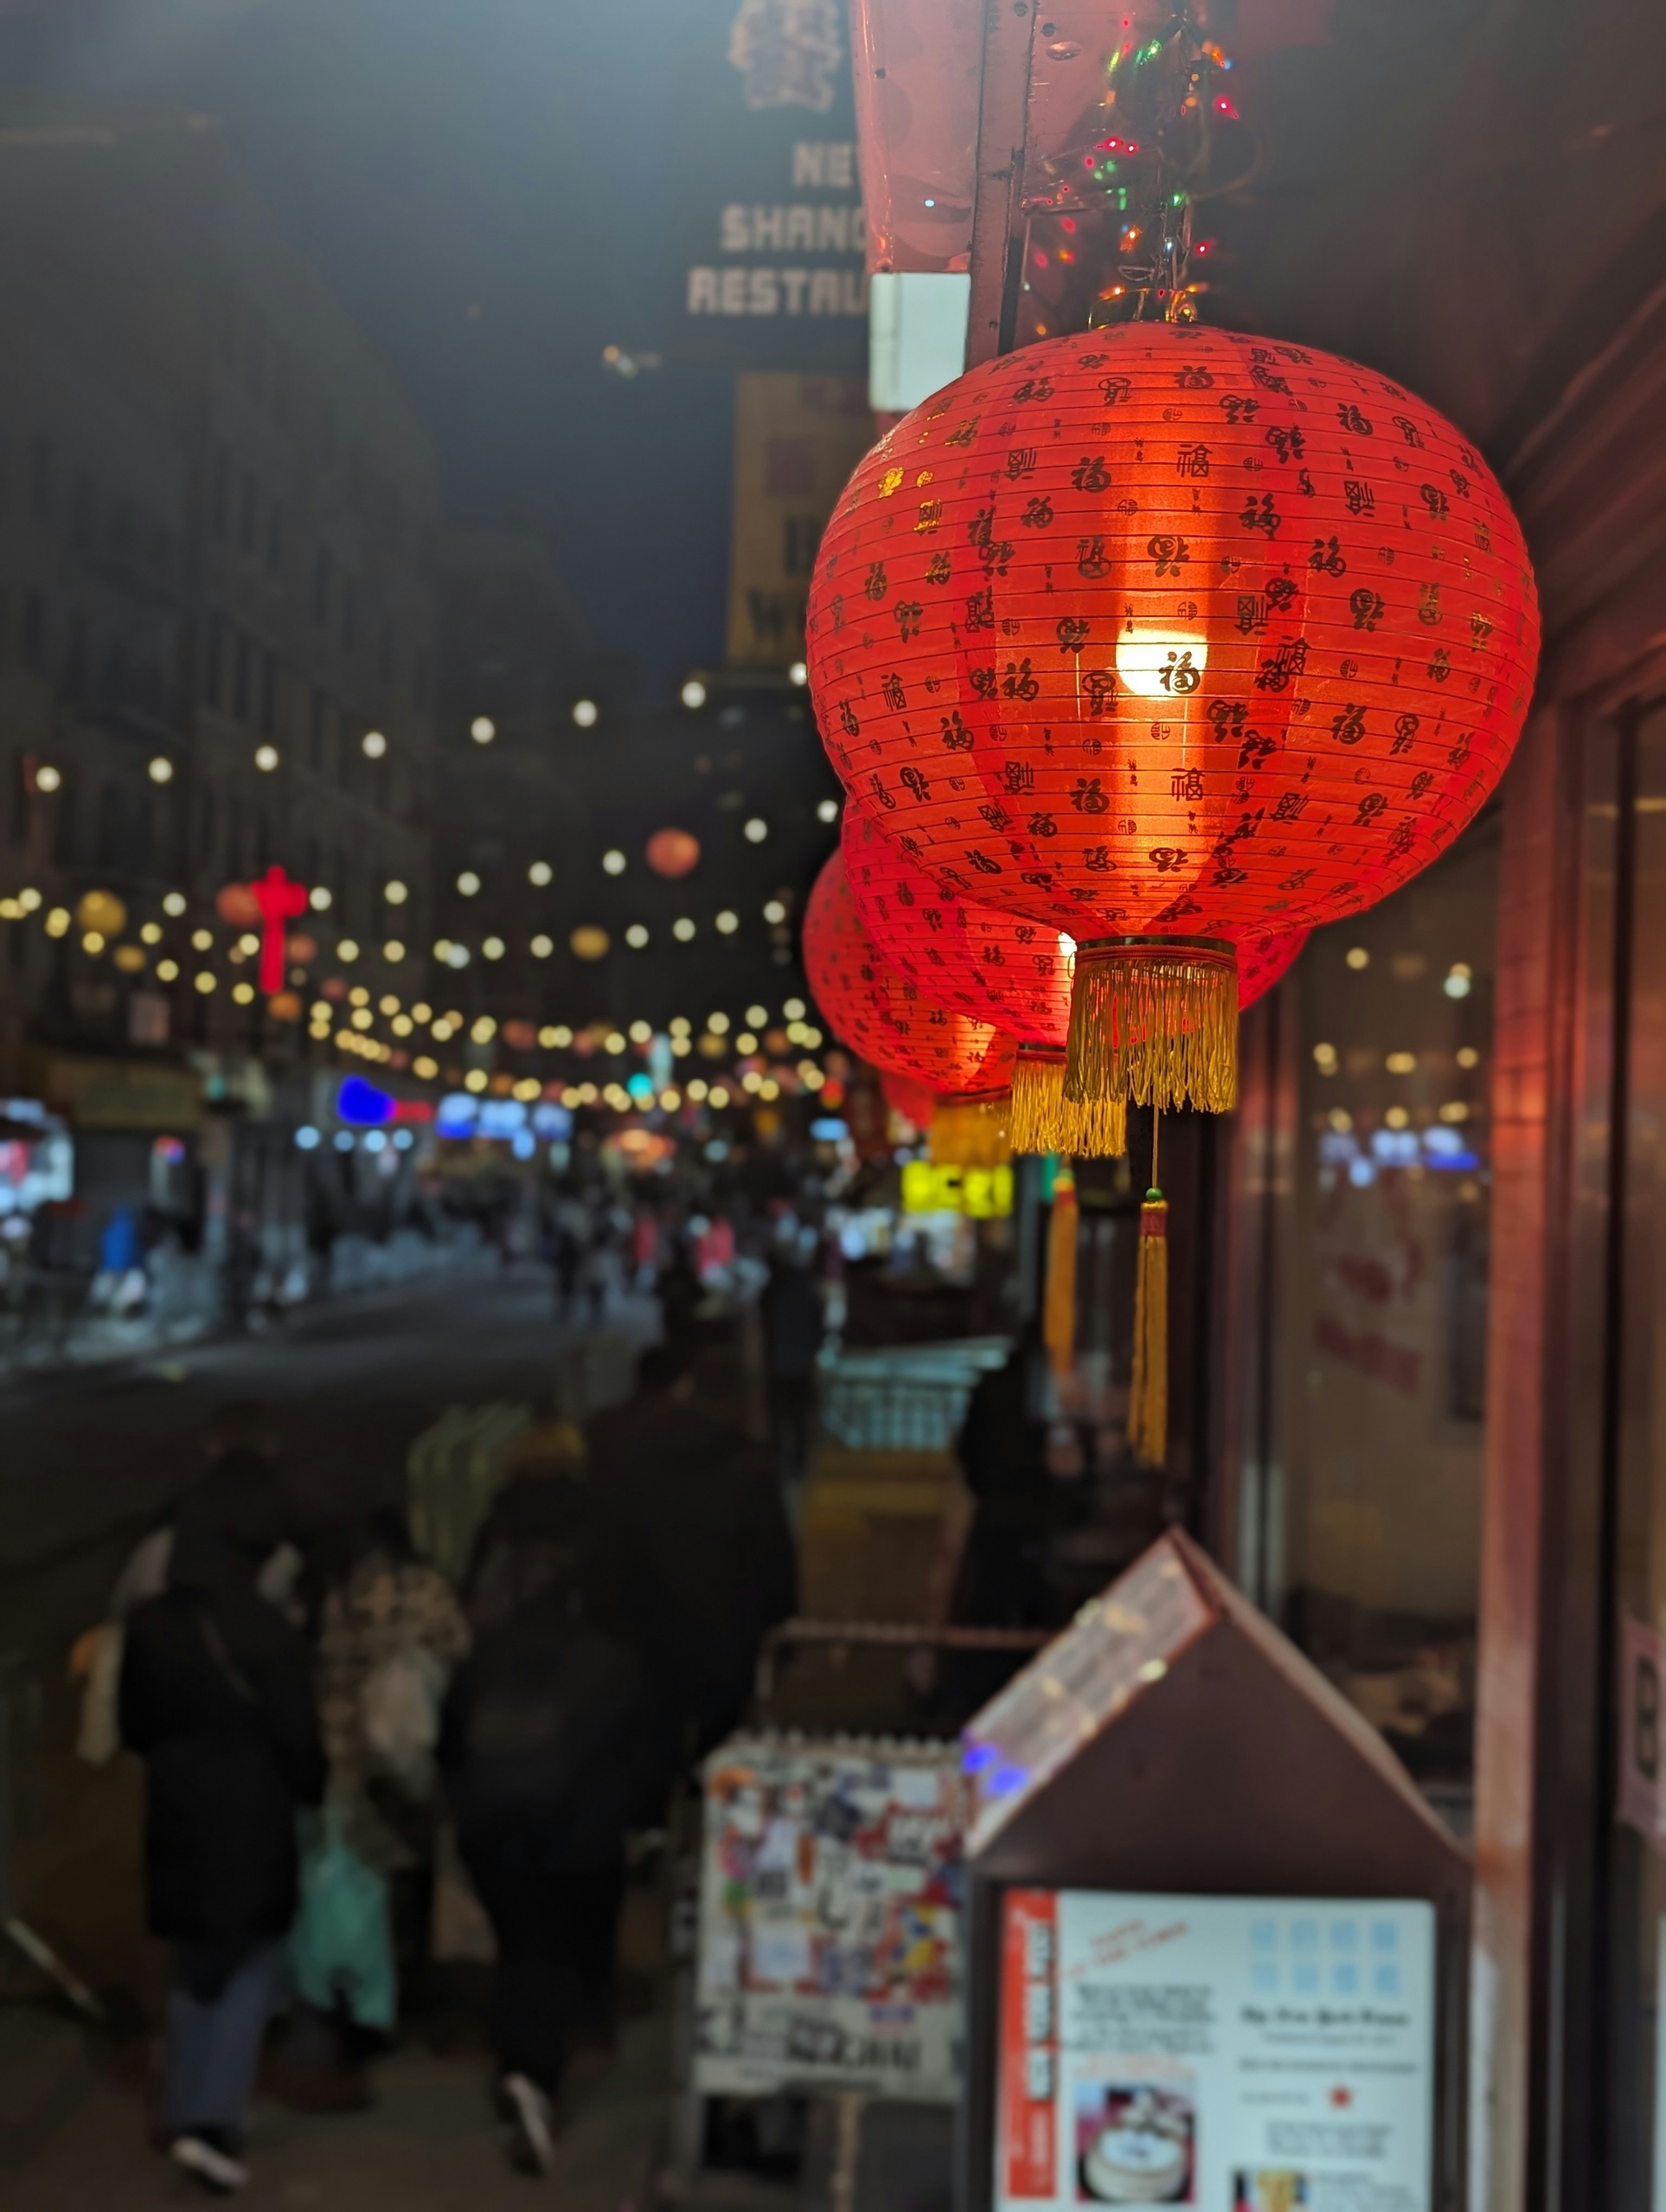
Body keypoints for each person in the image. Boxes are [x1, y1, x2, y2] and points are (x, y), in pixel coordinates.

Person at [440, 1483, 657, 2175]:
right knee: (554, 1952)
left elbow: (449, 1747)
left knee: (522, 1945)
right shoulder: (611, 1663)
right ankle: (533, 2076)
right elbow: (642, 1762)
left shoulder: (485, 1657)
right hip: (578, 1837)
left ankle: (525, 2061)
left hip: (492, 1829)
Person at [119, 1484, 325, 2194]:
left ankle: (181, 2108)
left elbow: (132, 1728)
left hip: (176, 1808)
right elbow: (301, 1735)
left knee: (195, 1960)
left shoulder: (148, 1625)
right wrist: (311, 1793)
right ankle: (213, 2126)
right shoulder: (266, 1627)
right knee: (251, 1964)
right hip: (253, 1808)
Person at [587, 1340, 797, 1764]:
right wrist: (780, 1644)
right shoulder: (751, 1472)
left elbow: (612, 1551)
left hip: (648, 1642)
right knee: (721, 1765)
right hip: (729, 1646)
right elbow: (777, 1569)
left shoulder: (635, 1462)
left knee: (652, 1760)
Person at [758, 1244, 825, 1488]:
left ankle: (781, 1465)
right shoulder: (808, 1289)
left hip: (780, 1366)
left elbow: (767, 1328)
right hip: (801, 1366)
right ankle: (799, 1466)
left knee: (780, 1420)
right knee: (798, 1420)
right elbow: (820, 1329)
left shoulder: (774, 1291)